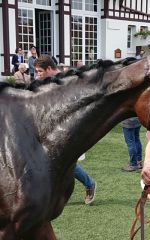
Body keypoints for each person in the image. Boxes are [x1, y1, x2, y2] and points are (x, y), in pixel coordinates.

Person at [33, 54, 96, 204]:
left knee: (66, 163)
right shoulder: (45, 83)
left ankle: (89, 184)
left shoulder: (68, 81)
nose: (37, 75)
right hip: (48, 128)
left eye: (39, 71)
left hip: (69, 130)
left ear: (49, 68)